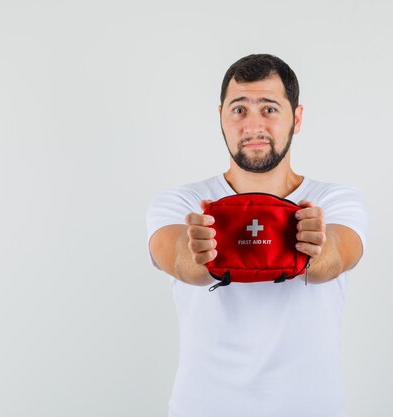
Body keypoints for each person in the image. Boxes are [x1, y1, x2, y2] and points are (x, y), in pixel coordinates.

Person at [146, 54, 368, 417]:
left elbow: (338, 256)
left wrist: (317, 248)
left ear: (296, 118)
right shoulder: (182, 203)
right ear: (220, 116)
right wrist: (197, 256)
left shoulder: (334, 201)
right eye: (238, 110)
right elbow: (179, 260)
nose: (252, 125)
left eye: (269, 109)